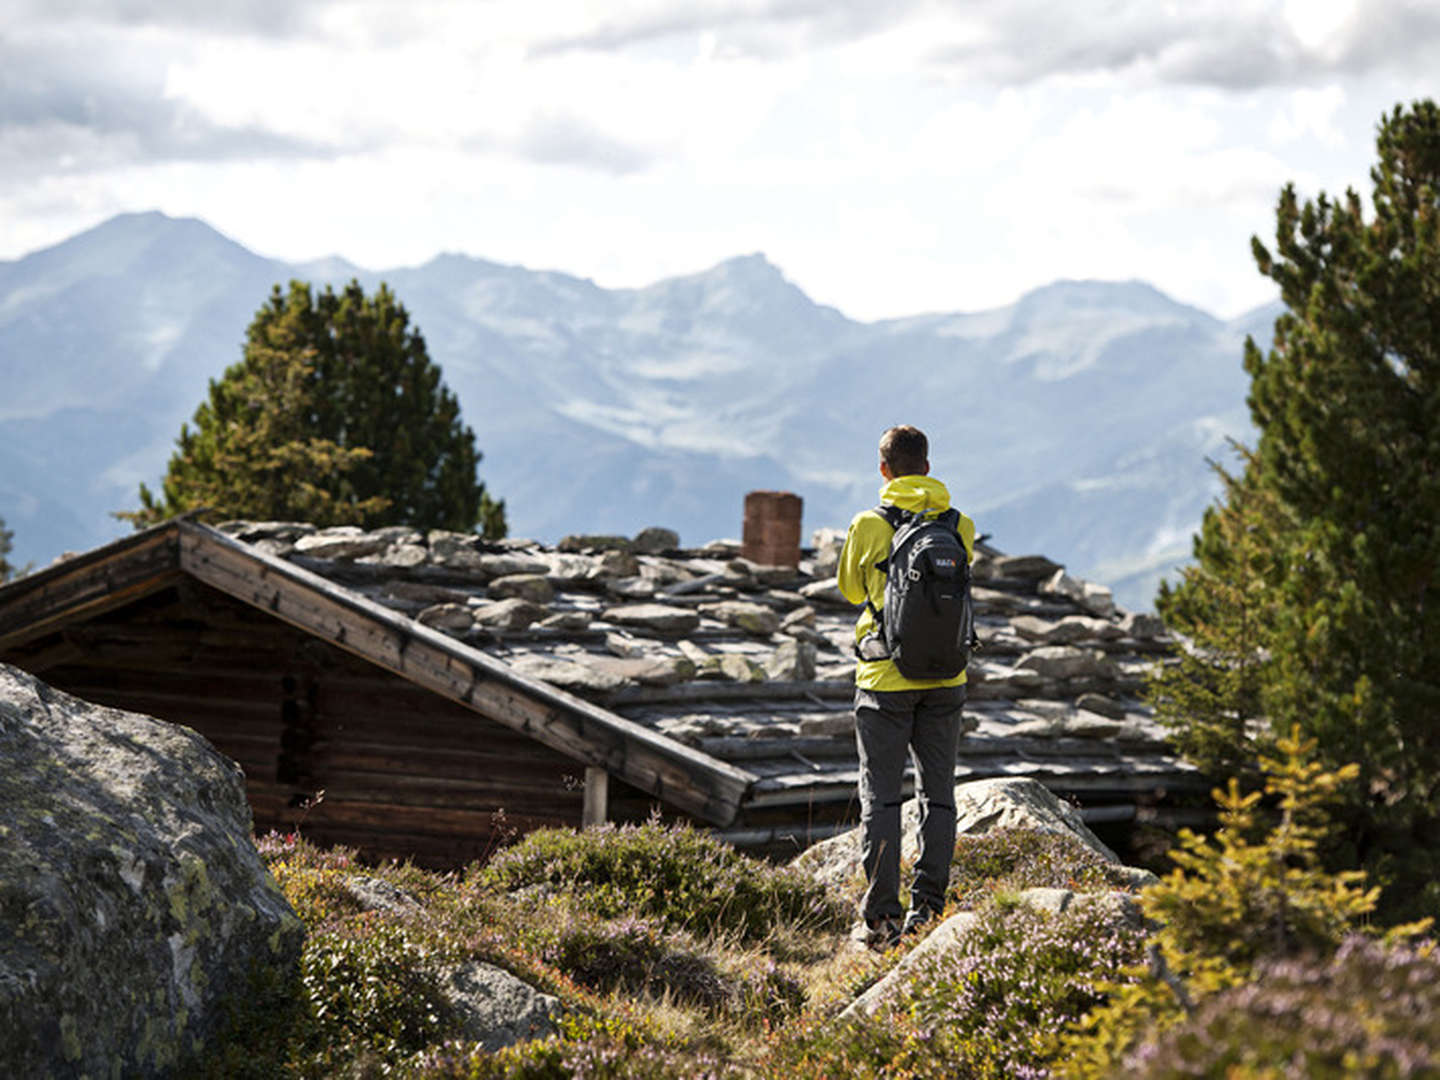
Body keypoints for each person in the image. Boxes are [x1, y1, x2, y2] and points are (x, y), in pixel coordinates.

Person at [836, 424, 976, 948]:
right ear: (928, 467)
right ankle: (931, 909)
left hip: (883, 681)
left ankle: (881, 917)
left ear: (883, 470)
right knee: (938, 795)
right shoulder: (960, 525)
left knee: (881, 797)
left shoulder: (869, 524)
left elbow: (851, 591)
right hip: (947, 676)